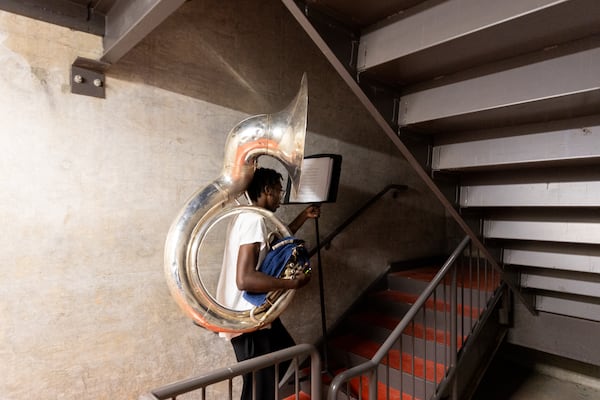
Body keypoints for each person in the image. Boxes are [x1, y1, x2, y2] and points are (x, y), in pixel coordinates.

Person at [216, 167, 320, 400]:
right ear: (267, 190)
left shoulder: (248, 215)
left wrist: (303, 216)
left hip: (256, 313)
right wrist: (292, 283)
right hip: (248, 317)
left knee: (284, 358)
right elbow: (245, 279)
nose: (280, 199)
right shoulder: (254, 220)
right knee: (258, 389)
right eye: (278, 192)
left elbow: (275, 246)